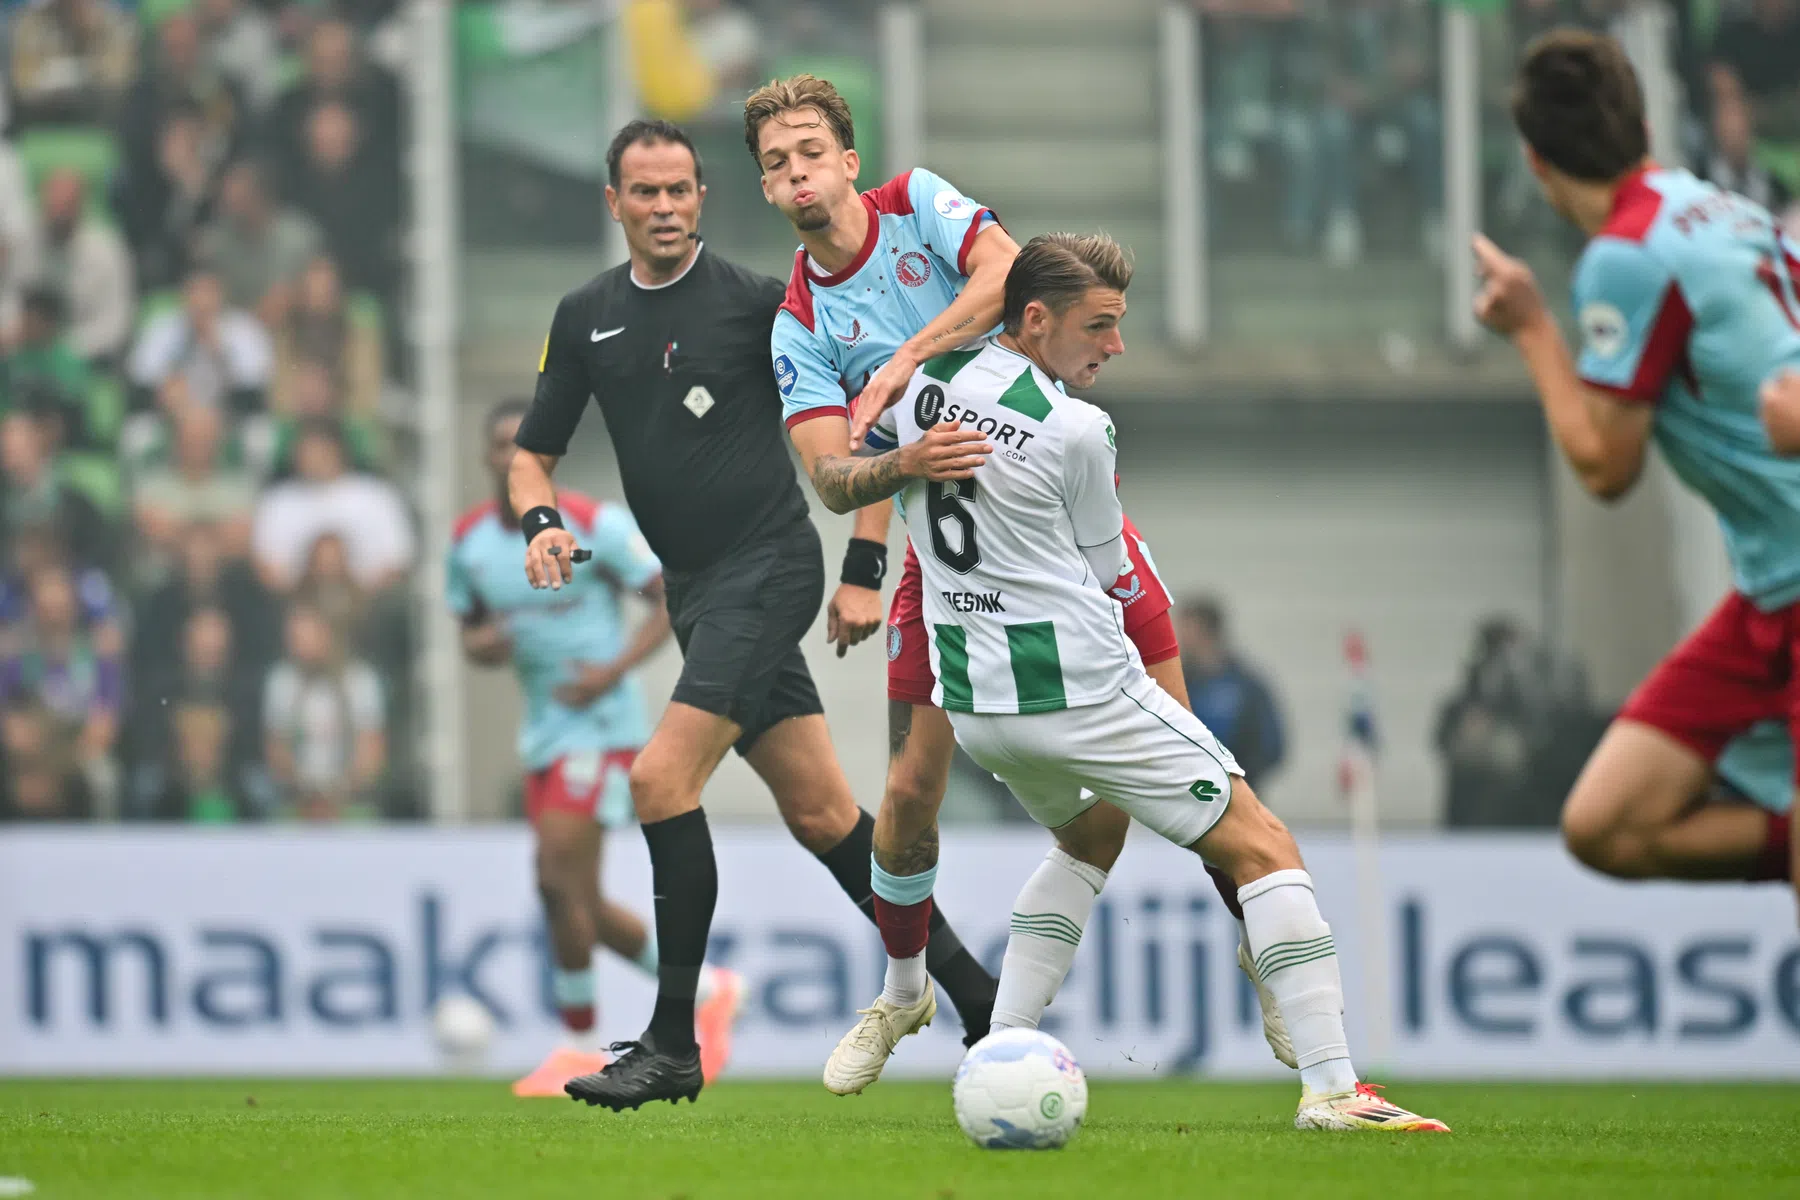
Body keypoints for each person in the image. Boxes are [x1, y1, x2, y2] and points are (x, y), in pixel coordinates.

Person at [750, 74, 1290, 1092]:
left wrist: (906, 358)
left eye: (811, 150)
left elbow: (1007, 276)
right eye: (776, 163)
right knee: (908, 792)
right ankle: (904, 989)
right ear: (767, 189)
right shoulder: (796, 324)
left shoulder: (917, 204)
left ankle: (1263, 940)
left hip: (1066, 525)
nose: (797, 172)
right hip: (951, 565)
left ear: (850, 161)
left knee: (1198, 756)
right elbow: (829, 477)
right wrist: (890, 496)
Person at [854, 231, 1446, 1132]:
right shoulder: (1078, 429)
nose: (1116, 346)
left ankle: (998, 1055)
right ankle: (1334, 1090)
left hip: (979, 709)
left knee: (1089, 839)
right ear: (1037, 318)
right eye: (1101, 326)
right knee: (1266, 846)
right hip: (1085, 693)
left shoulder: (921, 388)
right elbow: (1111, 569)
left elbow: (871, 468)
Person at [509, 119, 998, 1111]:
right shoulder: (585, 314)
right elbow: (532, 456)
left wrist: (865, 563)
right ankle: (981, 999)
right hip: (695, 592)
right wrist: (543, 523)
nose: (663, 207)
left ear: (701, 198)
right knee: (823, 812)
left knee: (657, 781)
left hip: (769, 569)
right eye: (643, 192)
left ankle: (671, 1042)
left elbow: (864, 426)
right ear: (615, 203)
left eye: (679, 189)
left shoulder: (758, 306)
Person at [1472, 30, 1800, 897]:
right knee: (1605, 824)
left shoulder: (1625, 256)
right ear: (1642, 123)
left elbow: (1606, 469)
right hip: (1772, 592)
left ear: (1538, 164)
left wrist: (1533, 330)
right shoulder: (1722, 205)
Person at [449, 398, 739, 1097]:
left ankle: (579, 1043)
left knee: (555, 879)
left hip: (603, 730)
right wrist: (484, 646)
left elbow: (670, 597)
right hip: (542, 734)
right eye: (499, 445)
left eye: (525, 445)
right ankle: (709, 991)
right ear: (488, 459)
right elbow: (471, 633)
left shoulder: (594, 524)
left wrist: (611, 671)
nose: (512, 457)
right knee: (572, 894)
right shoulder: (469, 543)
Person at [1175, 596, 1287, 784]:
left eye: (1186, 628)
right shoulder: (1176, 684)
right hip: (1188, 794)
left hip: (1241, 794)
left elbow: (1272, 745)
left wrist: (1239, 776)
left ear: (1205, 630)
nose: (1178, 635)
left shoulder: (1246, 686)